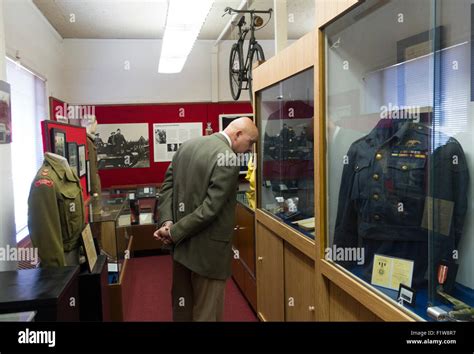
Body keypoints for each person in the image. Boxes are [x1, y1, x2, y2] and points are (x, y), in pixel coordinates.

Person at [154, 117, 258, 321]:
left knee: (182, 308)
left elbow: (167, 188)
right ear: (237, 134)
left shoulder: (187, 146)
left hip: (181, 248)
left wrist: (168, 224)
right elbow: (210, 209)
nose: (250, 149)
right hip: (208, 253)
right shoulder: (228, 159)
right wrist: (173, 233)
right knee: (207, 312)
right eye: (251, 142)